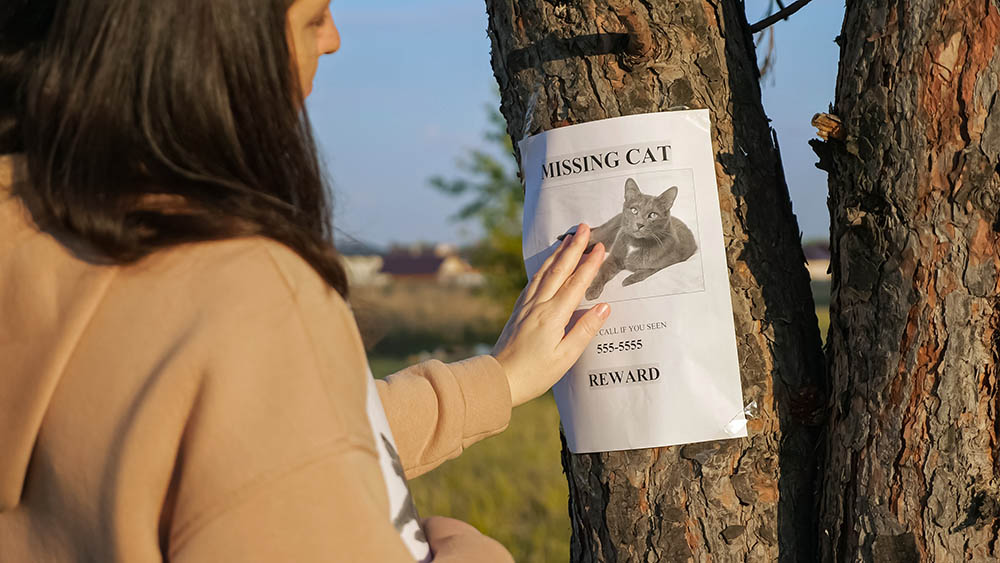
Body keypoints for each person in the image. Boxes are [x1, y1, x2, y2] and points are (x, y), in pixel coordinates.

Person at [0, 0, 610, 561]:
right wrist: (467, 551)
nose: (335, 39)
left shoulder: (49, 239)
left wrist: (497, 382)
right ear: (211, 41)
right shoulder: (241, 292)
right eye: (314, 15)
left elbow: (266, 439)